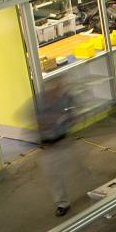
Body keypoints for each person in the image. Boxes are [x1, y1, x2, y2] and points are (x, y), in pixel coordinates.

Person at [35, 77, 78, 217]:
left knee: (78, 170)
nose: (56, 89)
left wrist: (64, 119)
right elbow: (37, 120)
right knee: (53, 175)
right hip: (49, 146)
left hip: (63, 142)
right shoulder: (40, 102)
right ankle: (62, 203)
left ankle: (99, 193)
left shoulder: (66, 100)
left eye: (59, 86)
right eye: (53, 87)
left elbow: (72, 118)